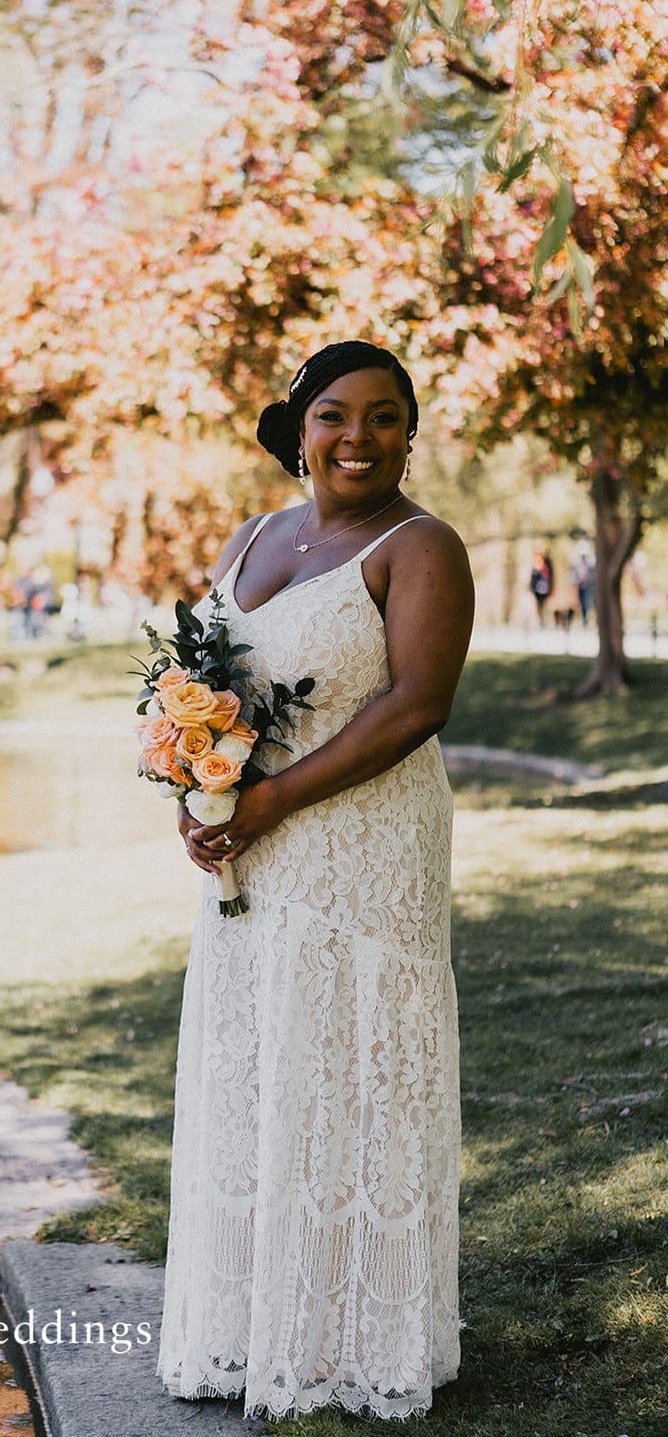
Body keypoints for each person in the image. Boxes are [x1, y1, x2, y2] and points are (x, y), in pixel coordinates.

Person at [157, 341, 474, 1422]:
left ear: (407, 434)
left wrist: (275, 800)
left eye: (383, 417)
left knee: (347, 1060)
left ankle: (352, 1335)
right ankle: (251, 1325)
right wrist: (194, 798)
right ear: (296, 428)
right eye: (333, 414)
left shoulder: (420, 546)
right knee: (256, 1067)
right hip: (247, 849)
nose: (356, 437)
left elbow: (413, 704)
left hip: (361, 845)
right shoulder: (251, 536)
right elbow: (202, 688)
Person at [529, 550, 554, 626]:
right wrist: (532, 586)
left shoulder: (547, 567)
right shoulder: (536, 566)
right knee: (539, 605)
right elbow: (533, 578)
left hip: (544, 589)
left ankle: (544, 620)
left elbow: (550, 578)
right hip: (537, 589)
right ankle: (541, 620)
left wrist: (551, 587)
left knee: (543, 604)